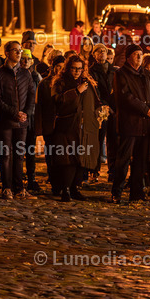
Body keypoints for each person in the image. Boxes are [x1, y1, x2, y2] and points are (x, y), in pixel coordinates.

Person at [112, 45, 150, 203]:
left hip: (146, 125)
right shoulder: (120, 74)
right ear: (128, 57)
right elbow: (126, 97)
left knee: (141, 161)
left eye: (140, 54)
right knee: (123, 160)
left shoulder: (147, 74)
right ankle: (117, 192)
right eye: (135, 55)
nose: (139, 57)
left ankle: (137, 193)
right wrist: (146, 109)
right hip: (130, 124)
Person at [50, 55, 102, 202]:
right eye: (74, 68)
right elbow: (57, 101)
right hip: (66, 126)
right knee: (67, 159)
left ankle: (75, 188)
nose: (77, 71)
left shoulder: (88, 83)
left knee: (81, 159)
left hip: (84, 127)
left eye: (80, 68)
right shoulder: (60, 82)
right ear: (68, 68)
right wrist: (76, 91)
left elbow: (96, 101)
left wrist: (101, 111)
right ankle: (65, 189)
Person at [0, 41, 37, 199]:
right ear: (7, 53)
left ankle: (19, 187)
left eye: (20, 51)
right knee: (5, 155)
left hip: (22, 122)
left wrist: (26, 113)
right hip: (5, 121)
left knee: (19, 155)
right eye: (15, 51)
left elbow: (32, 95)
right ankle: (7, 187)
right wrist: (13, 113)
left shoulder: (25, 73)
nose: (19, 53)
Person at [37, 56, 66, 195]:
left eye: (62, 66)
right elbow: (40, 105)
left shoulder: (66, 82)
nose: (60, 69)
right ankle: (54, 182)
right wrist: (40, 126)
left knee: (62, 155)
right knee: (51, 155)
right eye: (58, 66)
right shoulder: (44, 83)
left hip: (63, 124)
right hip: (49, 124)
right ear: (53, 67)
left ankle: (62, 183)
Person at [89, 44, 115, 184]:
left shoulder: (113, 70)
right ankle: (94, 170)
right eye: (99, 52)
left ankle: (112, 171)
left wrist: (113, 106)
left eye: (104, 51)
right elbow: (95, 91)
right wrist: (103, 105)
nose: (102, 54)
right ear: (94, 55)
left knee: (113, 141)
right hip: (100, 110)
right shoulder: (92, 71)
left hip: (113, 109)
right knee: (98, 141)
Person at [19, 49, 42, 193]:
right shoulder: (17, 74)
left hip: (32, 117)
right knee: (19, 149)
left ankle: (31, 178)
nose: (25, 61)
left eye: (28, 59)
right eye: (23, 59)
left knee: (30, 150)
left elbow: (39, 98)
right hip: (20, 116)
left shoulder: (35, 76)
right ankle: (18, 177)